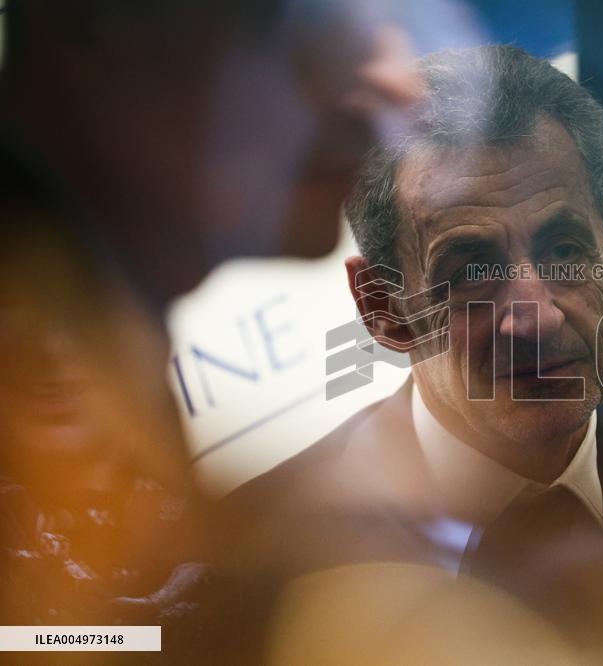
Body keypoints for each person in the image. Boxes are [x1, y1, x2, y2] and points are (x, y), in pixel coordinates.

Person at [226, 45, 603, 593]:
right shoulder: (242, 562)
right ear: (382, 307)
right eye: (469, 273)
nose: (535, 317)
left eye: (563, 251)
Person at [0, 0, 421, 655]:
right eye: (297, 14)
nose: (398, 79)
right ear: (80, 16)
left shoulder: (90, 307)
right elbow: (38, 636)